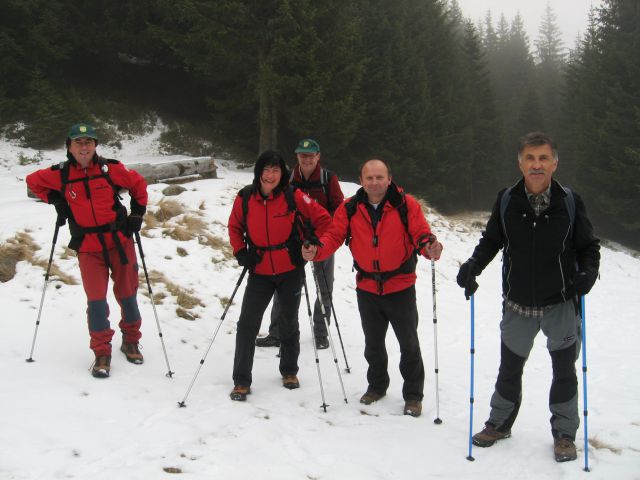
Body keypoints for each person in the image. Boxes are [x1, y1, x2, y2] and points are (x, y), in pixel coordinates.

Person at [456, 132, 600, 462]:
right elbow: (492, 239)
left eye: (543, 158)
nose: (537, 165)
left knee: (564, 372)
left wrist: (588, 273)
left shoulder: (570, 202)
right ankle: (499, 424)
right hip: (518, 304)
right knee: (510, 369)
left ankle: (564, 434)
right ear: (520, 163)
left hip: (561, 303)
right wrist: (474, 265)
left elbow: (588, 247)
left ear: (554, 163)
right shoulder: (507, 199)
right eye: (530, 159)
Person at [302, 158, 443, 417]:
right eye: (370, 178)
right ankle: (377, 386)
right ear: (361, 181)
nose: (375, 182)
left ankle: (413, 395)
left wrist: (429, 247)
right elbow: (334, 235)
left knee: (408, 344)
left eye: (380, 177)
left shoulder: (405, 205)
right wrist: (318, 250)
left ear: (389, 179)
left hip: (400, 286)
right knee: (373, 343)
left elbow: (420, 233)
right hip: (367, 286)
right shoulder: (350, 208)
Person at [26, 123, 148, 378]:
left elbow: (138, 185)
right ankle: (101, 351)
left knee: (127, 294)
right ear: (69, 147)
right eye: (78, 142)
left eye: (88, 142)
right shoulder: (60, 174)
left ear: (95, 146)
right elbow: (33, 182)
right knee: (96, 301)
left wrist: (137, 214)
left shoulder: (110, 170)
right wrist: (57, 200)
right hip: (89, 248)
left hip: (120, 242)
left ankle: (131, 340)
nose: (84, 147)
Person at [227, 150, 331, 401]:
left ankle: (289, 371)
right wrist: (241, 252)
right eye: (266, 169)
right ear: (258, 172)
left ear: (282, 173)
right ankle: (241, 380)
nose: (270, 175)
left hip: (290, 270)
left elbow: (324, 219)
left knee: (288, 322)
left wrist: (312, 241)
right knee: (247, 325)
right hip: (260, 270)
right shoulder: (245, 197)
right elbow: (234, 226)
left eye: (275, 170)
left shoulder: (293, 196)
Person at [256, 138, 344, 350]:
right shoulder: (289, 178)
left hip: (322, 242)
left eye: (310, 155)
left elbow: (339, 209)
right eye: (302, 155)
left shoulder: (327, 178)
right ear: (297, 157)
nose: (306, 159)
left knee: (324, 287)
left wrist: (325, 233)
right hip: (293, 241)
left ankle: (321, 333)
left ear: (318, 156)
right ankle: (276, 333)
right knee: (283, 287)